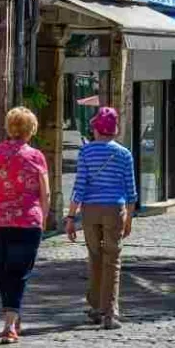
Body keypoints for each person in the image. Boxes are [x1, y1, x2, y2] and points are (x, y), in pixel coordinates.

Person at [0, 107, 52, 344]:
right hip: (27, 221)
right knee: (19, 272)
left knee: (3, 271)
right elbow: (45, 192)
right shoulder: (36, 156)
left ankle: (11, 316)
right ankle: (9, 324)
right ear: (31, 130)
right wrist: (43, 217)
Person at [69, 107, 135, 329]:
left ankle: (97, 306)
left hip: (90, 210)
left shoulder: (86, 153)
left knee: (95, 256)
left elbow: (79, 186)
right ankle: (110, 312)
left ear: (96, 129)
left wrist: (70, 216)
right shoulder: (124, 154)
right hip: (114, 209)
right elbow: (131, 190)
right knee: (113, 259)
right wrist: (129, 219)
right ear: (114, 130)